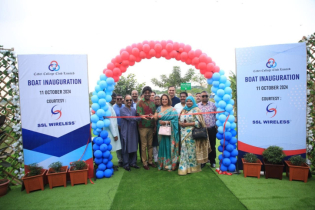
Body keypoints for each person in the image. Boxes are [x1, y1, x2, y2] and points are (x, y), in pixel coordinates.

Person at [178, 96, 211, 175]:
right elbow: (179, 119)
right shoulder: (183, 110)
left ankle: (193, 168)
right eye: (187, 101)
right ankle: (183, 168)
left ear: (193, 102)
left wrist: (187, 124)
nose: (188, 102)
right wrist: (181, 123)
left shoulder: (196, 110)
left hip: (191, 134)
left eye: (190, 101)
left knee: (191, 151)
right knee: (184, 151)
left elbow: (199, 123)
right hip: (183, 133)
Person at [154, 94, 179, 171]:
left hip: (170, 132)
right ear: (161, 100)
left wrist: (166, 122)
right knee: (162, 146)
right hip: (161, 131)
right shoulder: (158, 108)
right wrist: (154, 116)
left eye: (166, 99)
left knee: (169, 146)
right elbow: (155, 118)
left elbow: (175, 121)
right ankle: (162, 164)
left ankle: (170, 164)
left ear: (168, 100)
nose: (164, 100)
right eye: (163, 99)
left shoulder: (173, 109)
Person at [137, 86, 157, 170]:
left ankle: (150, 161)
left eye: (149, 92)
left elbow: (155, 114)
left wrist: (155, 126)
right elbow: (139, 113)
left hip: (151, 126)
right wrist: (145, 116)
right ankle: (144, 162)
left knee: (150, 145)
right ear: (143, 93)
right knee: (144, 145)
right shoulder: (140, 103)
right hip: (143, 127)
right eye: (146, 92)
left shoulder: (153, 103)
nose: (147, 94)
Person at [120, 95, 142, 171]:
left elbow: (137, 117)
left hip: (134, 131)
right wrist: (141, 117)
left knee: (134, 146)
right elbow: (129, 118)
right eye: (127, 100)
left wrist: (144, 116)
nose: (129, 101)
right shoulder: (122, 110)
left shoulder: (133, 109)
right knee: (126, 147)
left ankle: (133, 163)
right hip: (126, 131)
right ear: (124, 101)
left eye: (130, 100)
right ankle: (126, 164)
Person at [198, 91, 217, 168]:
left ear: (208, 97)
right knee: (203, 145)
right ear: (200, 97)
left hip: (211, 128)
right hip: (202, 129)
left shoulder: (213, 105)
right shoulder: (197, 106)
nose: (205, 97)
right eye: (203, 96)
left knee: (212, 145)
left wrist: (217, 126)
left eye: (206, 96)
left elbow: (217, 116)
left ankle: (212, 161)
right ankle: (203, 161)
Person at [104, 92, 122, 166]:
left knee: (110, 148)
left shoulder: (110, 105)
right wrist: (115, 134)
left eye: (115, 98)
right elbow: (110, 122)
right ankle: (108, 165)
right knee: (109, 149)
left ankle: (109, 164)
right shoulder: (108, 106)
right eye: (113, 98)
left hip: (111, 130)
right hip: (110, 132)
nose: (114, 100)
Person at [113, 94, 125, 167]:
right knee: (118, 144)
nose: (119, 100)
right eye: (118, 99)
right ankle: (120, 159)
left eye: (121, 99)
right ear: (116, 99)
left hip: (125, 128)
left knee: (124, 143)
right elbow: (113, 119)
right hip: (117, 128)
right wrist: (117, 126)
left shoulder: (124, 106)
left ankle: (125, 158)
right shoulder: (113, 107)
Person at [153, 95, 161, 164]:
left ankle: (161, 157)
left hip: (161, 127)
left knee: (161, 142)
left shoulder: (162, 107)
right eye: (156, 99)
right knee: (154, 143)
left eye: (158, 99)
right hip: (153, 127)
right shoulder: (152, 108)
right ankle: (155, 158)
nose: (157, 101)